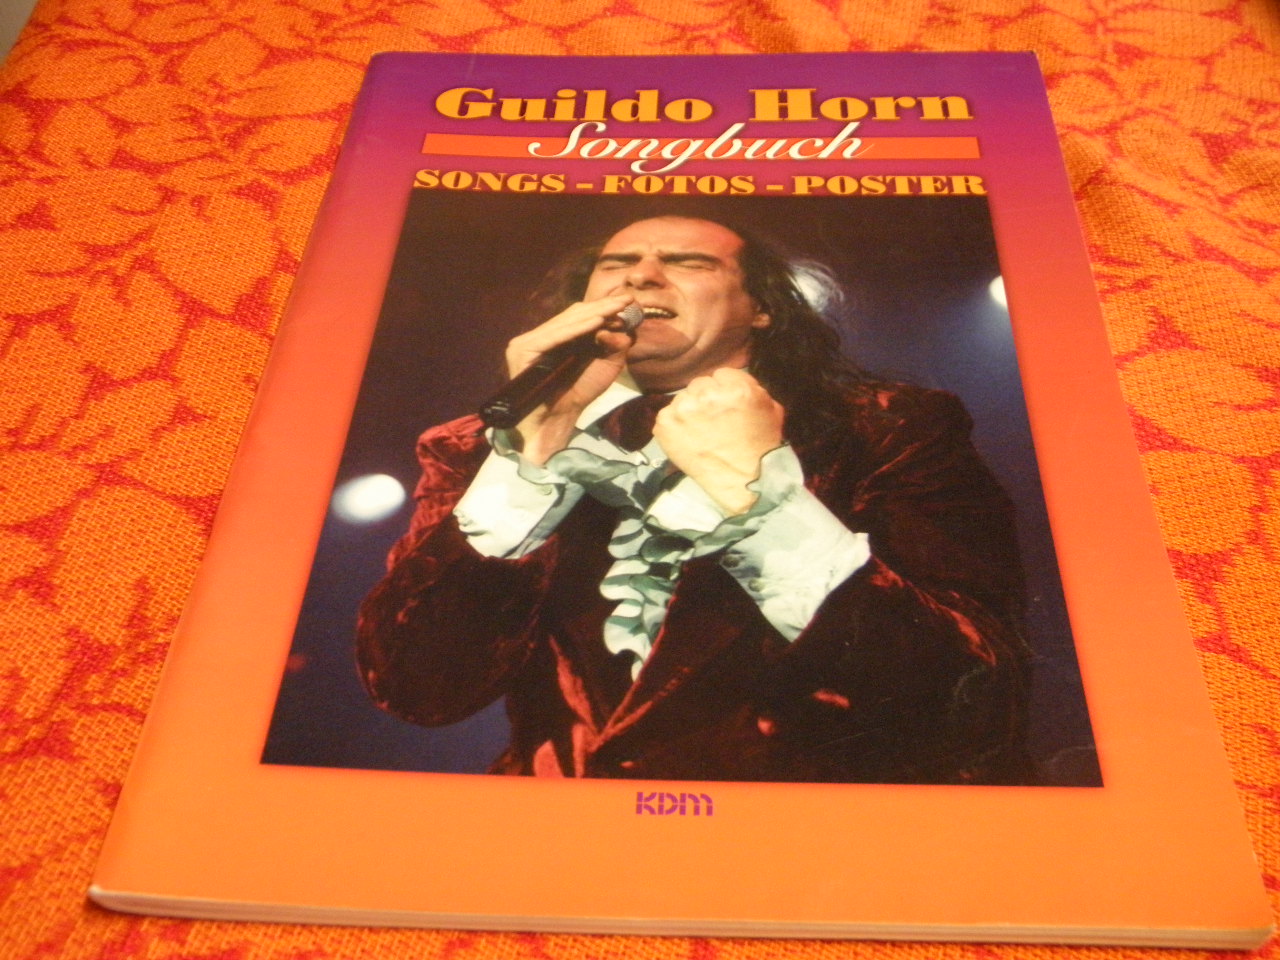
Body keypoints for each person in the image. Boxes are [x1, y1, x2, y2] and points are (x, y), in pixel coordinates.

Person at [356, 215, 1032, 784]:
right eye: (616, 263)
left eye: (686, 262)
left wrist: (761, 505)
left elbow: (973, 691)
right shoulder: (477, 448)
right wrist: (529, 460)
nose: (641, 276)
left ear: (761, 307)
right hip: (564, 843)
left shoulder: (884, 426)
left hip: (821, 844)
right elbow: (418, 687)